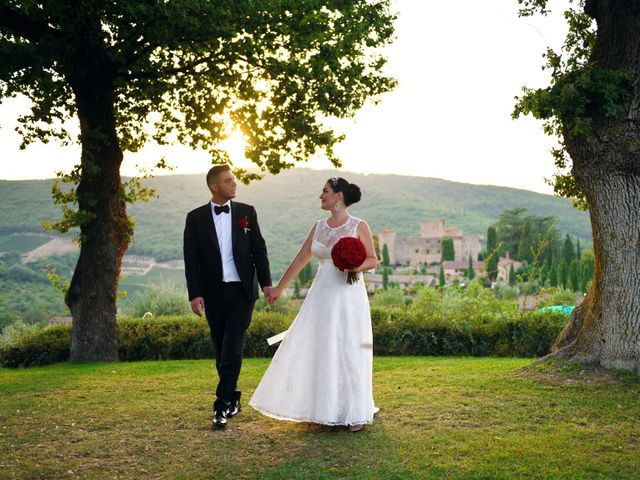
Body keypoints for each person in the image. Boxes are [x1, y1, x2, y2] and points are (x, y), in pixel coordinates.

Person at [249, 176, 379, 432]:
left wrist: (353, 265)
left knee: (349, 346)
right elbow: (300, 260)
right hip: (321, 294)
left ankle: (354, 412)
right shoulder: (319, 227)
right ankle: (323, 408)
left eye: (325, 191)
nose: (321, 196)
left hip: (348, 294)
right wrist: (279, 288)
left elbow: (373, 259)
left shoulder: (359, 225)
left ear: (338, 196)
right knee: (320, 346)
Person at [183, 165, 272, 429]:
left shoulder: (247, 212)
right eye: (228, 181)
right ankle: (233, 396)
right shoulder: (195, 218)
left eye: (233, 180)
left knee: (233, 345)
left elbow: (259, 250)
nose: (234, 184)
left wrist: (267, 284)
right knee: (221, 348)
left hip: (243, 291)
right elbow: (192, 260)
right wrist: (195, 294)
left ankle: (220, 406)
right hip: (213, 293)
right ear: (214, 187)